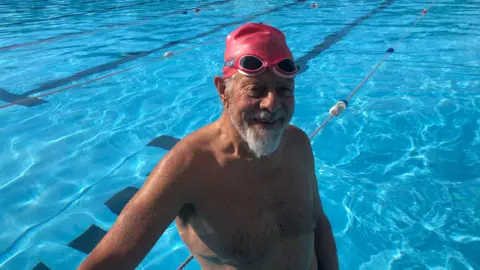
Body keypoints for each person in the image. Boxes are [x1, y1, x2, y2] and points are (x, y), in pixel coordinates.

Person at [78, 23, 338, 270]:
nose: (272, 104)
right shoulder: (189, 166)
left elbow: (319, 224)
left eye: (284, 89)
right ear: (222, 90)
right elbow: (109, 261)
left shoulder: (298, 144)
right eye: (255, 90)